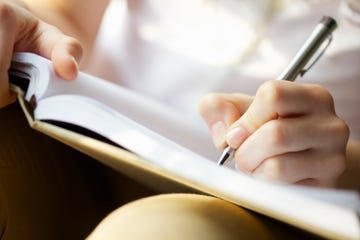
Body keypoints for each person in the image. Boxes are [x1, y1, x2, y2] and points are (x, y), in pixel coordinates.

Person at [0, 0, 359, 239]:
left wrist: (335, 162)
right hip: (89, 145)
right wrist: (25, 26)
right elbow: (64, 13)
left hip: (271, 208)